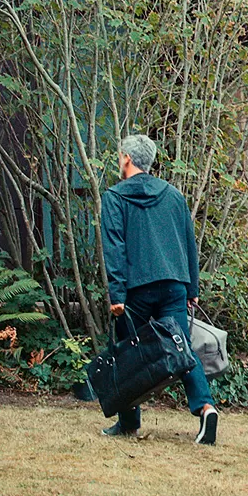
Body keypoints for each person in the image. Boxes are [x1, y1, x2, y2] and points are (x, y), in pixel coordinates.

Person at [101, 134, 219, 444]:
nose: (119, 160)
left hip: (136, 289)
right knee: (181, 348)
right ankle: (206, 408)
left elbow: (115, 248)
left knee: (131, 353)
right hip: (173, 285)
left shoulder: (114, 197)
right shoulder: (173, 195)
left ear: (127, 158)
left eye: (120, 156)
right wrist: (191, 287)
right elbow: (189, 243)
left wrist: (117, 294)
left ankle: (129, 423)